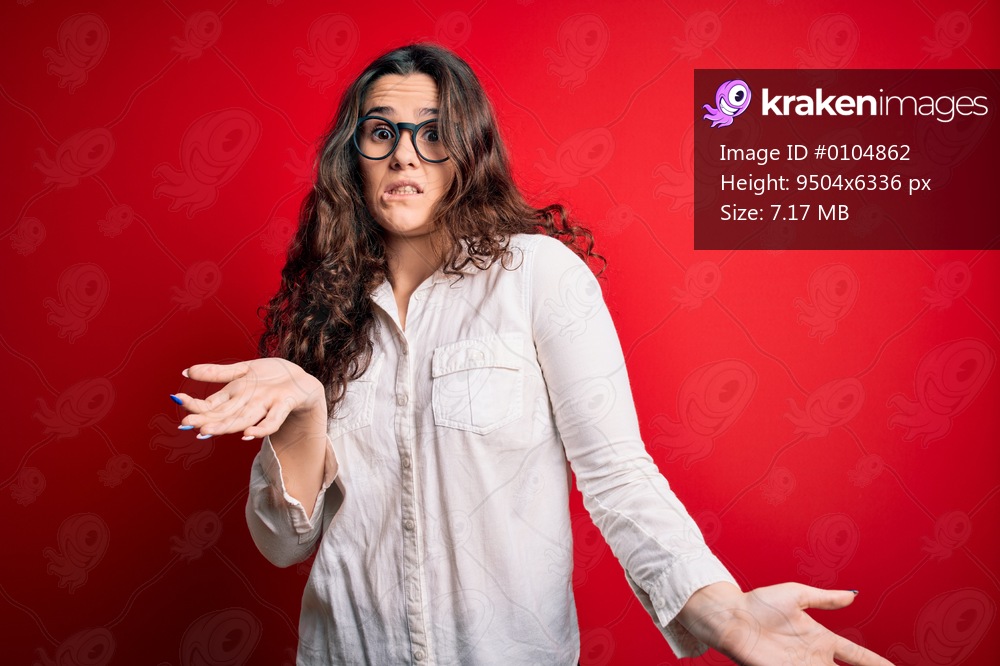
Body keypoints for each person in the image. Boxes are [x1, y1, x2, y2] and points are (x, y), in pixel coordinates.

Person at [172, 44, 892, 665]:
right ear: (351, 155)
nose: (404, 155)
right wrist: (302, 416)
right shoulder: (326, 318)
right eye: (380, 132)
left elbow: (616, 475)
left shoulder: (536, 275)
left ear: (466, 151)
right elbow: (283, 547)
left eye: (432, 134)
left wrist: (723, 613)